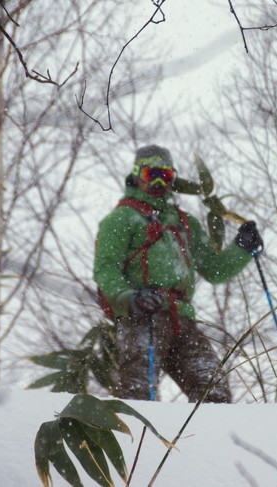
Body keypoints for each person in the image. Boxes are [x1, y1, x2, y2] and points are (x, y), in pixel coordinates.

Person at [93, 145, 262, 403]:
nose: (160, 182)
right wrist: (131, 299)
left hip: (182, 317)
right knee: (137, 393)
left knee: (213, 391)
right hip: (142, 316)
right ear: (137, 175)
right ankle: (134, 440)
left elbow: (214, 270)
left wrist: (242, 248)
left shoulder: (185, 222)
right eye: (152, 175)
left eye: (167, 176)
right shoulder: (121, 219)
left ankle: (207, 442)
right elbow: (106, 270)